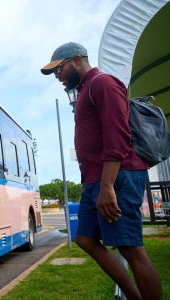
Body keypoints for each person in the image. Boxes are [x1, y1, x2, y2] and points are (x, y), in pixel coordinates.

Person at [41, 42, 162, 300]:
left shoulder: (102, 83)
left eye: (58, 69)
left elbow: (117, 136)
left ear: (76, 60)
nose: (57, 76)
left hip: (117, 177)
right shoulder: (85, 90)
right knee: (85, 238)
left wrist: (107, 186)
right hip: (95, 180)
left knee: (131, 248)